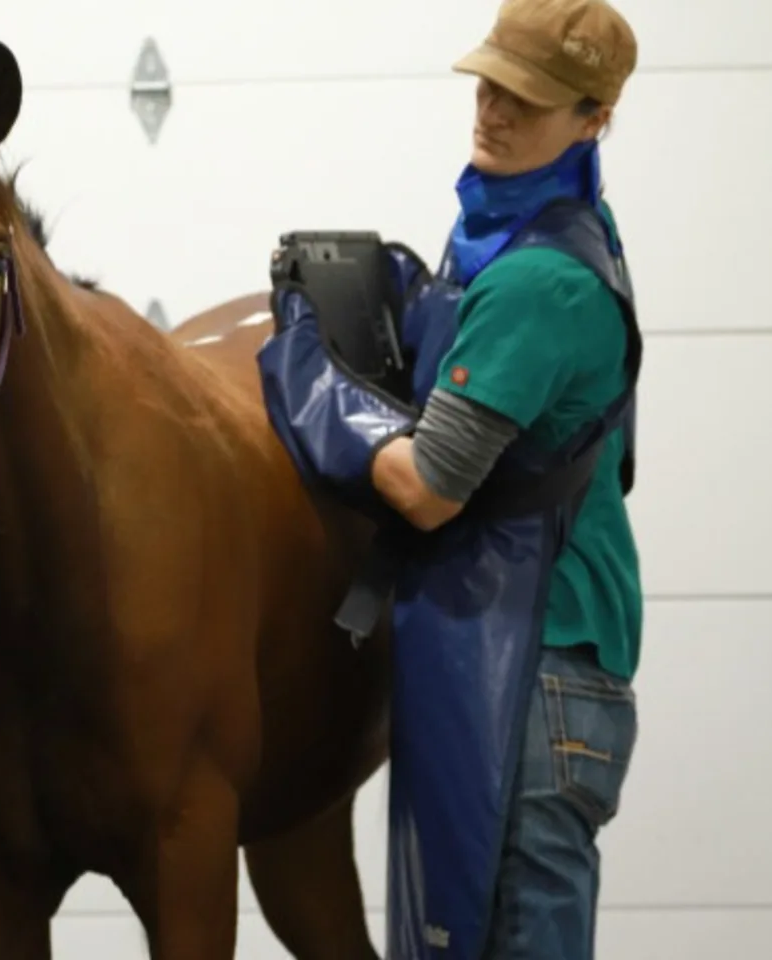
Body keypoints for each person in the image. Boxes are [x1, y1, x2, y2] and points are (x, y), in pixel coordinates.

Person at [256, 0, 641, 957]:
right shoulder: (544, 235)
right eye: (490, 83)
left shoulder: (539, 281)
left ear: (594, 117)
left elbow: (428, 485)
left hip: (535, 670)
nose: (495, 112)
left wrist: (307, 376)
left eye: (530, 100)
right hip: (539, 656)